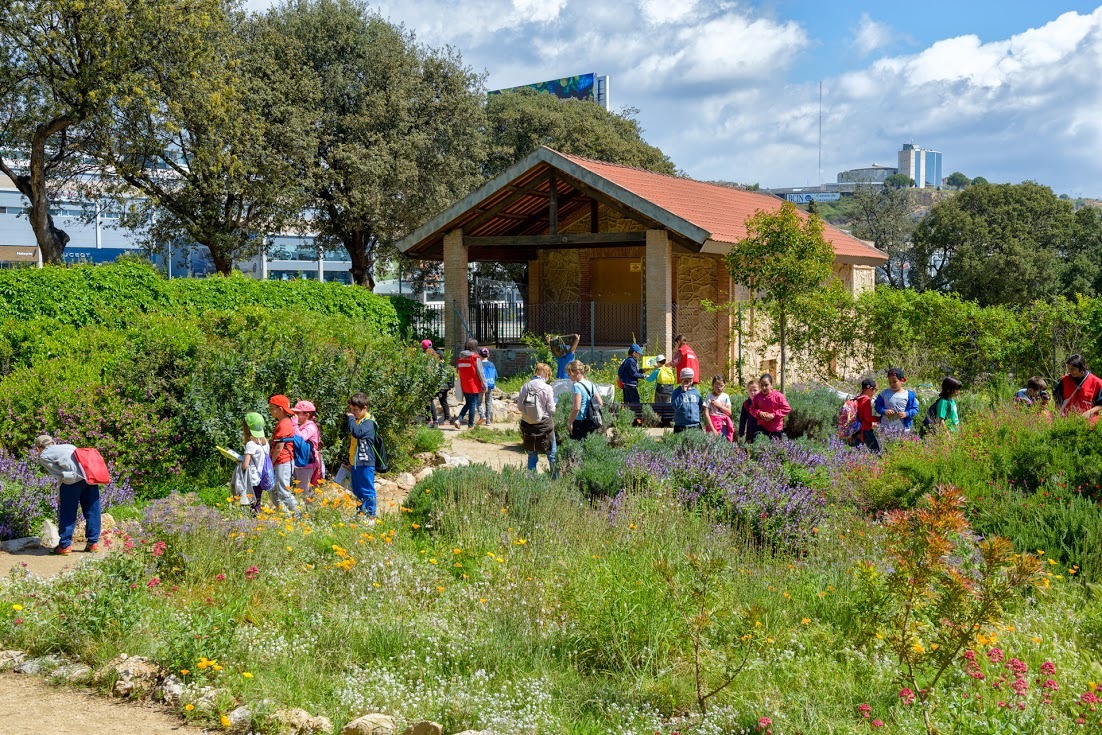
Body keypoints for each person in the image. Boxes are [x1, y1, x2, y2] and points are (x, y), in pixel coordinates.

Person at [34, 435, 101, 555]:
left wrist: (60, 493)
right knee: (92, 511)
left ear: (39, 448)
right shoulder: (69, 446)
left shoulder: (44, 456)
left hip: (71, 484)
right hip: (89, 479)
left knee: (68, 513)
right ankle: (93, 543)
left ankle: (65, 546)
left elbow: (60, 475)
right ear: (53, 442)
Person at [518, 362, 557, 477]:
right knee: (551, 454)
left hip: (528, 424)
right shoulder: (547, 388)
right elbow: (551, 409)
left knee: (532, 454)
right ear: (546, 374)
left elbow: (520, 407)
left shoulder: (525, 386)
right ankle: (555, 479)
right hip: (544, 424)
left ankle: (531, 479)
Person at [346, 392, 378, 524]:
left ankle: (371, 516)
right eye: (351, 410)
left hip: (366, 462)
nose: (353, 413)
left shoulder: (369, 422)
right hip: (356, 462)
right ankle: (360, 513)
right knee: (358, 490)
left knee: (367, 489)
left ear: (365, 408)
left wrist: (351, 419)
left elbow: (357, 432)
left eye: (356, 410)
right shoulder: (358, 420)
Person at [267, 394, 298, 515]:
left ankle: (299, 516)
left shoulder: (284, 424)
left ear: (280, 409)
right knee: (273, 490)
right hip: (279, 461)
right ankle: (285, 515)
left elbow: (279, 448)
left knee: (283, 490)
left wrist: (270, 463)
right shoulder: (282, 422)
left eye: (271, 408)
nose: (270, 411)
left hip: (283, 461)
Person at [239, 412, 270, 512]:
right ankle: (257, 519)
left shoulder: (251, 444)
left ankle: (254, 522)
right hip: (261, 478)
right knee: (257, 501)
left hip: (252, 478)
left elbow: (245, 465)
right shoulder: (265, 443)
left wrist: (239, 463)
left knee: (249, 503)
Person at [874, 367, 920, 433]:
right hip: (885, 428)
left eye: (894, 382)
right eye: (890, 382)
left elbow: (915, 409)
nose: (892, 384)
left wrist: (906, 414)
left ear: (902, 380)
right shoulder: (884, 393)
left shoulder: (909, 395)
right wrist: (884, 411)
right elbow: (877, 406)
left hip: (903, 429)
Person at [567, 360, 603, 441]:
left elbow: (576, 408)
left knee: (577, 449)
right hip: (590, 421)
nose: (568, 376)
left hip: (579, 422)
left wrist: (570, 422)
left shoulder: (577, 386)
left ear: (576, 372)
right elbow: (600, 403)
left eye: (569, 373)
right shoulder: (590, 384)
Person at [455, 338, 487, 429]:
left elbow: (458, 370)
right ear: (474, 347)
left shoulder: (459, 358)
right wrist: (485, 384)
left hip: (464, 385)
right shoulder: (475, 358)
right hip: (474, 385)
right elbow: (480, 372)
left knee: (468, 403)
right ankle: (470, 425)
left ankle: (459, 419)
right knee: (472, 404)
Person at [292, 400, 322, 494]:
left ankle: (305, 508)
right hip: (302, 462)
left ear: (307, 415)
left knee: (302, 490)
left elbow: (300, 438)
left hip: (307, 463)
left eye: (298, 413)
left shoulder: (310, 427)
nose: (295, 415)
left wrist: (294, 424)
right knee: (303, 489)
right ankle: (307, 507)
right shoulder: (303, 426)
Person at [422, 340, 453, 428]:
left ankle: (429, 421)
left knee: (428, 402)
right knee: (434, 401)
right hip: (434, 382)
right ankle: (435, 421)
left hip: (427, 382)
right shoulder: (435, 357)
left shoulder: (424, 357)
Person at [749, 374, 790, 439]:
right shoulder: (757, 397)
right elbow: (752, 409)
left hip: (776, 429)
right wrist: (759, 413)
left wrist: (773, 415)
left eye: (766, 385)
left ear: (771, 385)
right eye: (761, 385)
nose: (763, 388)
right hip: (761, 427)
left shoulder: (778, 396)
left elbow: (786, 408)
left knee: (775, 448)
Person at [850, 378, 881, 453]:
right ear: (870, 389)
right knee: (876, 452)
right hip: (865, 430)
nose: (874, 393)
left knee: (856, 454)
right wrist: (880, 419)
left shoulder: (857, 398)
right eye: (874, 390)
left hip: (855, 430)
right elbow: (867, 417)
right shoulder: (866, 400)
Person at [702, 375, 734, 441]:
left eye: (721, 385)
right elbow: (706, 414)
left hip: (724, 425)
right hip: (712, 425)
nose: (719, 388)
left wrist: (719, 405)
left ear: (724, 385)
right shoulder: (709, 397)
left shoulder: (726, 397)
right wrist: (713, 429)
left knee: (724, 445)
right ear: (712, 385)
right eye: (716, 385)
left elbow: (729, 412)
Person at [671, 368, 703, 432]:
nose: (688, 381)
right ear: (681, 380)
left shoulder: (696, 392)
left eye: (690, 379)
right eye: (685, 380)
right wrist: (683, 392)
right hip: (680, 425)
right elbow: (675, 406)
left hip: (695, 424)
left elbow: (700, 406)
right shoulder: (676, 392)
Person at [738, 379, 761, 443]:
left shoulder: (763, 403)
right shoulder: (746, 404)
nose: (752, 392)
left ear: (760, 390)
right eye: (750, 390)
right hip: (750, 433)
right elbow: (742, 420)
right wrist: (741, 434)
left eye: (755, 390)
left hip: (762, 433)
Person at [479, 347, 497, 426]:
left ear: (480, 355)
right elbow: (495, 376)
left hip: (481, 385)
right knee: (488, 402)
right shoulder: (492, 364)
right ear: (488, 355)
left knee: (478, 402)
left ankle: (482, 416)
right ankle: (488, 420)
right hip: (490, 385)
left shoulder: (479, 364)